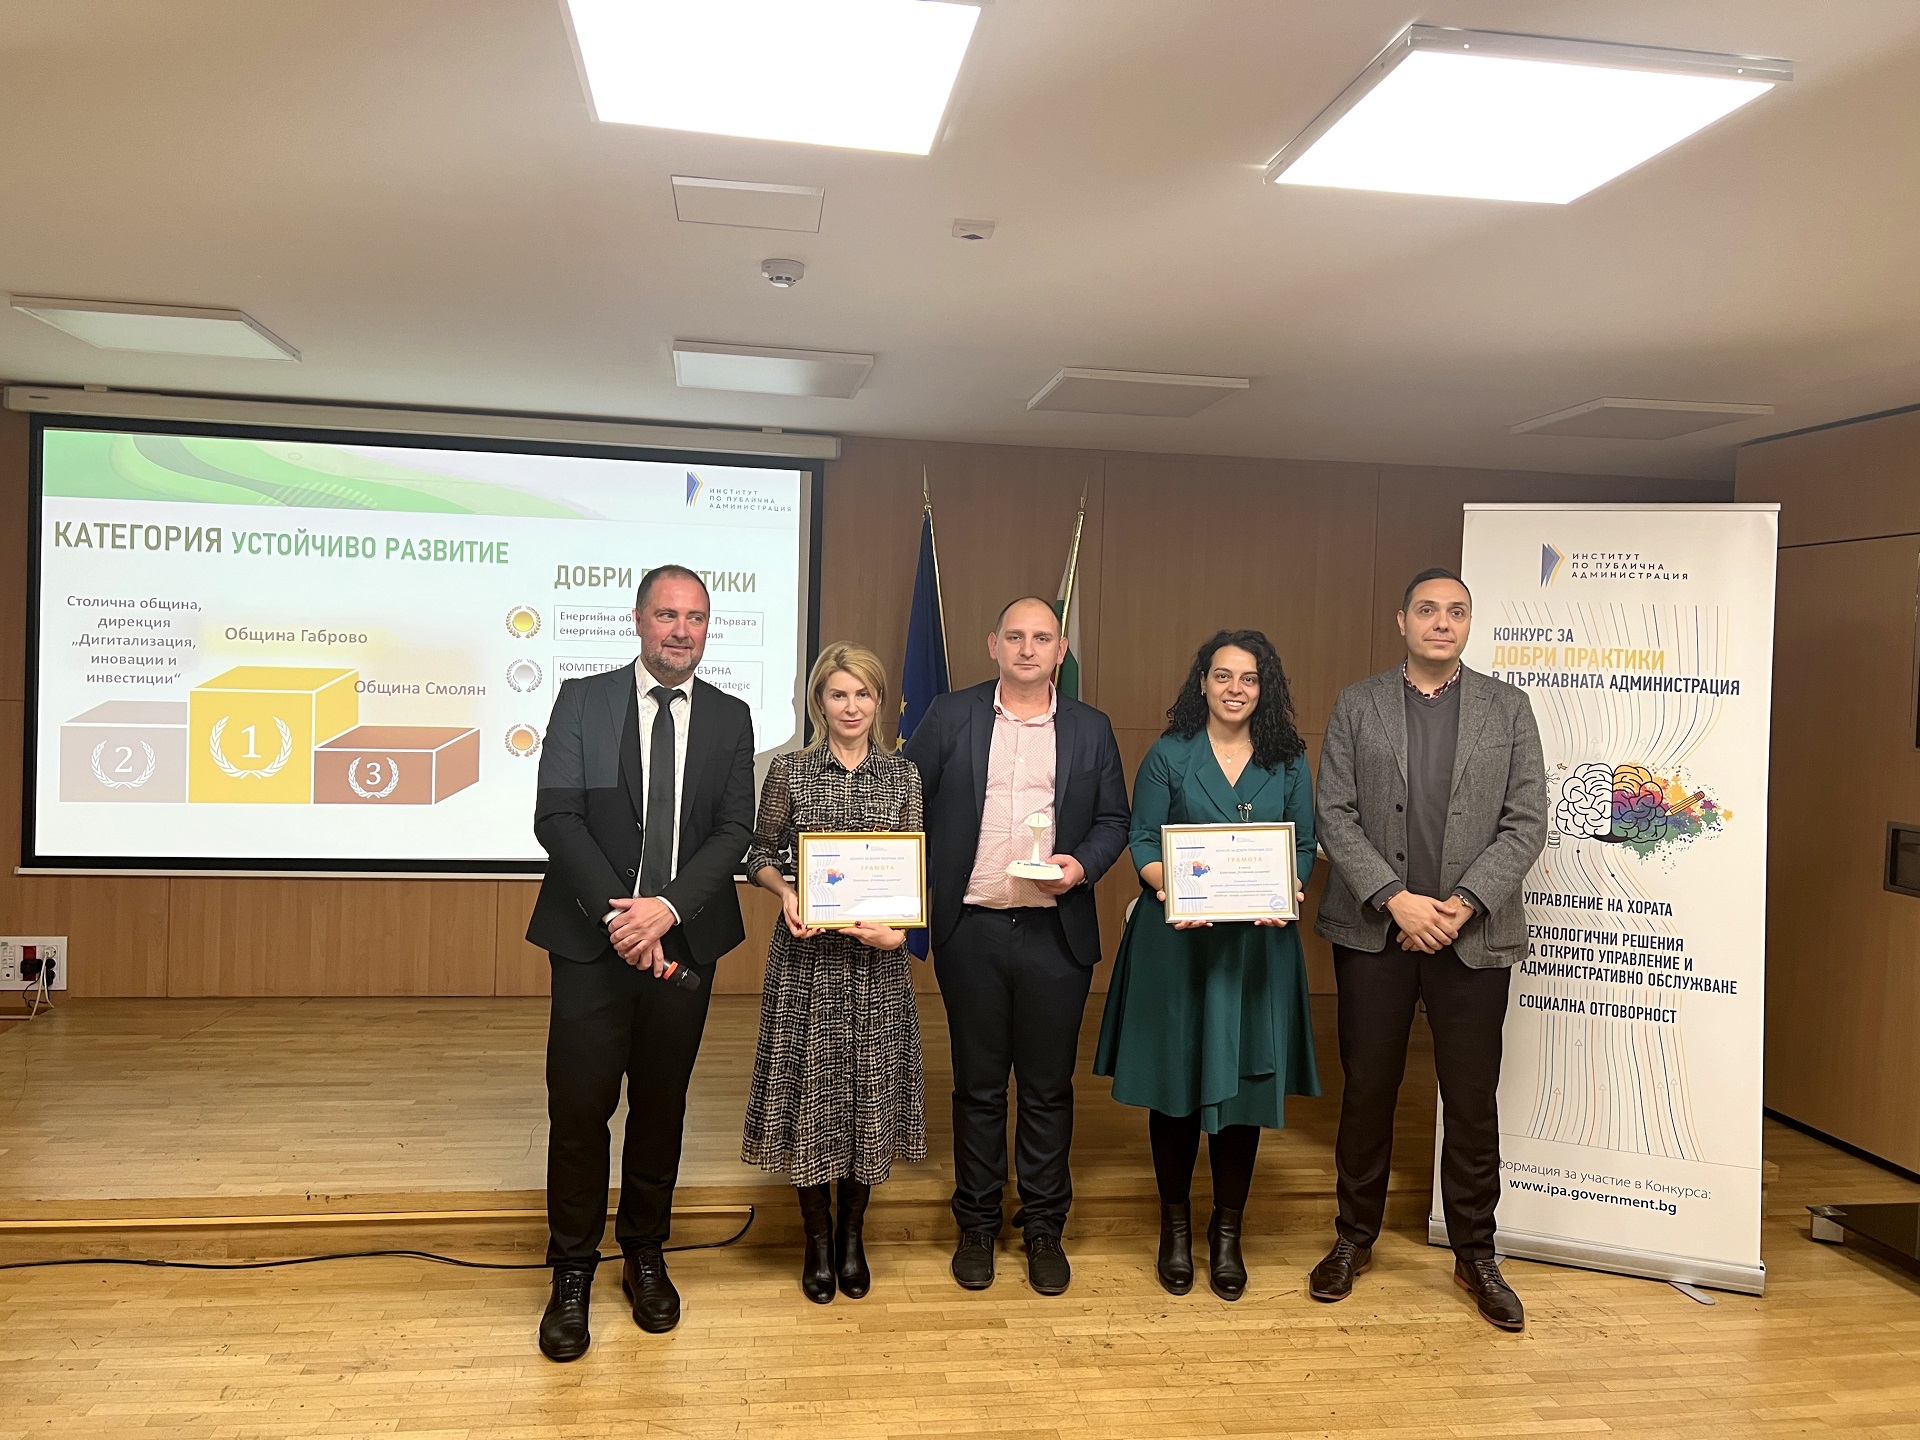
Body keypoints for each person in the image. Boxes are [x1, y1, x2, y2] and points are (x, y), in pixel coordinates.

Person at [526, 564, 756, 1361]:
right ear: (637, 619)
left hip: (683, 941)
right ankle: (572, 1271)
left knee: (661, 1107)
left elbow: (734, 831)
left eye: (695, 617)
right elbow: (557, 816)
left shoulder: (730, 716)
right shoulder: (583, 701)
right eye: (667, 615)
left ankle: (645, 1255)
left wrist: (667, 910)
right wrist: (623, 916)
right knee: (580, 1109)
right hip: (592, 943)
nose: (681, 630)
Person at [1310, 567, 1547, 1331]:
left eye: (1457, 611)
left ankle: (1476, 1252)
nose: (1442, 622)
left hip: (1471, 936)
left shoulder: (1509, 708)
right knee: (1367, 1091)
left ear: (1469, 624)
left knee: (1471, 1102)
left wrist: (1464, 903)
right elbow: (1334, 813)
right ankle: (1353, 1238)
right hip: (1376, 932)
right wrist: (1395, 898)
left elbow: (1526, 821)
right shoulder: (1359, 703)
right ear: (1402, 621)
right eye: (1428, 610)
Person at [902, 596, 1130, 1296]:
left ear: (1061, 650)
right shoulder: (950, 715)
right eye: (1015, 636)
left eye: (1042, 637)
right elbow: (904, 802)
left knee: (1047, 1088)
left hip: (1055, 934)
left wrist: (1081, 866)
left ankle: (1043, 1227)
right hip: (970, 928)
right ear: (992, 644)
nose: (1028, 648)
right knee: (976, 1087)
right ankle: (976, 1223)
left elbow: (1115, 820)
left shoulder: (1091, 727)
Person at [1094, 629, 1319, 1301]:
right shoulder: (1170, 753)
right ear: (1202, 683)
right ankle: (1174, 1229)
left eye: (1249, 678)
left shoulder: (1288, 760)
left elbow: (1303, 846)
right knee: (1175, 1085)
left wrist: (1288, 889)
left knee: (1244, 1092)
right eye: (1223, 675)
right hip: (1179, 945)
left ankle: (1227, 1232)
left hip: (1255, 950)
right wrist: (1171, 890)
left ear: (1264, 688)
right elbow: (1141, 838)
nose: (1235, 689)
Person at [743, 642, 927, 1304]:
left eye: (863, 694)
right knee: (810, 1098)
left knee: (867, 1099)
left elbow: (912, 873)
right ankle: (816, 1241)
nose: (851, 707)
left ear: (879, 701)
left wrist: (899, 932)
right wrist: (786, 891)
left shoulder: (904, 777)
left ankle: (853, 1237)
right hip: (807, 963)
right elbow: (758, 852)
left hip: (877, 967)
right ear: (818, 702)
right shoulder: (790, 771)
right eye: (838, 694)